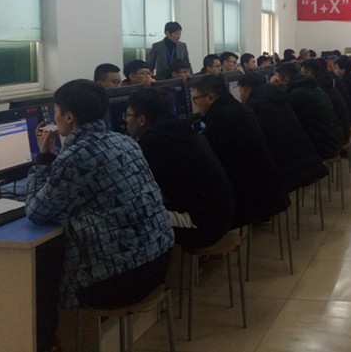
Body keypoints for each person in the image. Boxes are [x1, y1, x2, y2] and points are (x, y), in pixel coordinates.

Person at [26, 80, 174, 352]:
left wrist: (44, 158)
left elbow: (37, 212)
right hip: (158, 266)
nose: (53, 118)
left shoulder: (76, 156)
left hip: (121, 282)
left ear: (69, 117)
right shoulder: (125, 141)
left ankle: (44, 342)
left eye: (55, 111)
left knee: (41, 263)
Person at [125, 88, 235, 249]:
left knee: (131, 219)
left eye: (127, 115)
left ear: (142, 120)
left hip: (203, 225)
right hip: (222, 215)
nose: (125, 121)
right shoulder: (185, 131)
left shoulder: (152, 144)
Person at [191, 75, 290, 227]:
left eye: (196, 99)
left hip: (248, 197)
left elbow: (211, 157)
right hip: (266, 191)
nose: (195, 104)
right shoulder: (237, 108)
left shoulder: (220, 118)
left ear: (211, 97)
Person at [238, 72, 328, 193]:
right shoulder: (280, 99)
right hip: (307, 164)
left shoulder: (253, 108)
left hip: (286, 173)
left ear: (245, 90)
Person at [271, 62, 344, 160]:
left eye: (278, 80)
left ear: (286, 80)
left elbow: (282, 116)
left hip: (325, 147)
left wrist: (272, 88)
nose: (277, 82)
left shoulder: (297, 94)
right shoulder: (309, 86)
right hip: (333, 140)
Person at [300, 58, 351, 144]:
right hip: (341, 129)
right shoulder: (328, 81)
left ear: (309, 73)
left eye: (302, 73)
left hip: (336, 136)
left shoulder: (317, 87)